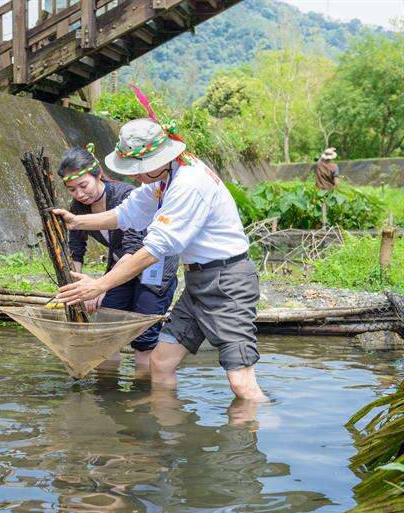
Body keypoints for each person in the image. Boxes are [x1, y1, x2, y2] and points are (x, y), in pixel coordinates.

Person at [53, 118, 266, 401]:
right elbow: (127, 213)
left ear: (159, 158)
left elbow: (153, 249)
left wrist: (99, 285)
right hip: (197, 283)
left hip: (227, 283)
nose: (136, 177)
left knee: (241, 383)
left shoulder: (188, 183)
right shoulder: (166, 177)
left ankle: (261, 433)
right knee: (161, 363)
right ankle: (166, 435)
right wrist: (77, 221)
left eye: (139, 169)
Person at [59, 144, 177, 368]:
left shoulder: (125, 195)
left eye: (83, 185)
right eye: (72, 190)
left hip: (153, 267)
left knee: (144, 338)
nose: (80, 194)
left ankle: (144, 394)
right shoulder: (78, 207)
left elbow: (133, 248)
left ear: (98, 175)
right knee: (106, 333)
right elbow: (76, 247)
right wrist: (76, 286)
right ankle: (107, 396)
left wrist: (100, 286)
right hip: (119, 268)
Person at [315, 147, 339, 226]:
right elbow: (336, 182)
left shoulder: (319, 165)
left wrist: (326, 152)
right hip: (329, 192)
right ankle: (327, 226)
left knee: (319, 211)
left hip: (319, 191)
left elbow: (319, 159)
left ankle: (321, 225)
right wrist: (337, 191)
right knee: (328, 211)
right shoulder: (334, 167)